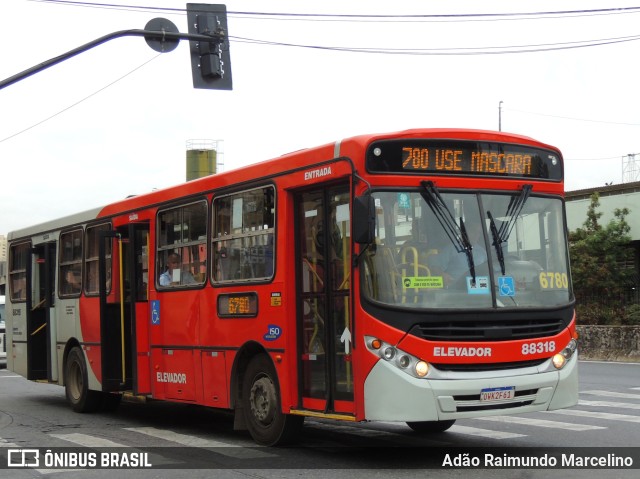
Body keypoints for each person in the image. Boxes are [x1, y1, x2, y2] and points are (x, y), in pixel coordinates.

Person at [430, 220, 487, 287]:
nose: (476, 235)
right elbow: (434, 266)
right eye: (473, 231)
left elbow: (487, 272)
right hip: (456, 291)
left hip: (479, 290)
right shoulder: (452, 249)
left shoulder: (482, 252)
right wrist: (442, 274)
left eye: (478, 233)